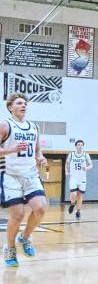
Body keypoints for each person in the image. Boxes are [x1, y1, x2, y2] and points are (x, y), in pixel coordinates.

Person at [1, 93, 48, 267]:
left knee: (41, 208)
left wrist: (40, 157)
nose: (24, 105)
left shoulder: (33, 127)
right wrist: (11, 149)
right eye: (19, 103)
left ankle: (25, 237)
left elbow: (37, 151)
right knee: (18, 214)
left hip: (30, 174)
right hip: (10, 175)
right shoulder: (5, 125)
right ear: (10, 107)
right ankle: (10, 247)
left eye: (25, 103)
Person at [65, 139, 93, 219]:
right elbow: (66, 164)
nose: (80, 146)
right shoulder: (71, 154)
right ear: (76, 146)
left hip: (82, 179)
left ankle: (78, 211)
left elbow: (91, 165)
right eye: (78, 145)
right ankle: (72, 204)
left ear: (83, 146)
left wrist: (86, 168)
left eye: (81, 145)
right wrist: (66, 171)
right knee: (73, 194)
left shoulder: (86, 155)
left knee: (79, 195)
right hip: (73, 178)